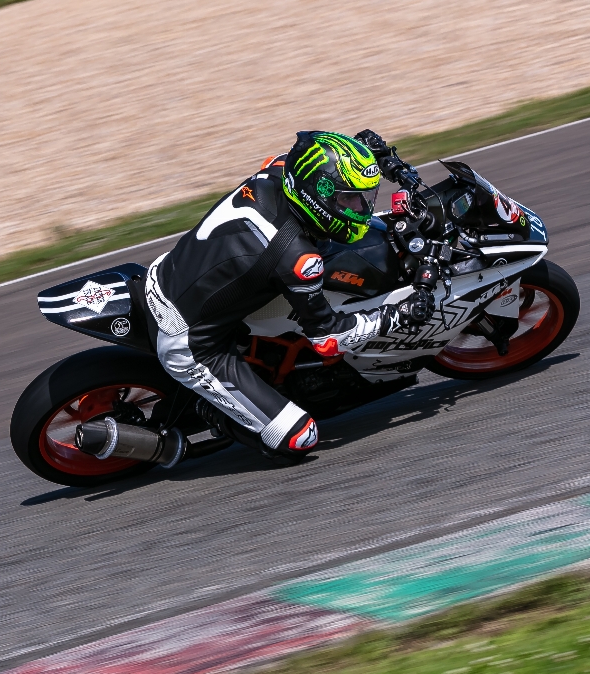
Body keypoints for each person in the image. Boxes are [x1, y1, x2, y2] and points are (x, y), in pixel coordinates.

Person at [144, 130, 433, 461]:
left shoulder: (281, 169)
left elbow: (319, 161)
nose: (361, 208)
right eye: (349, 200)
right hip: (191, 343)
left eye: (364, 198)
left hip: (169, 273)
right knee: (300, 438)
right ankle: (212, 410)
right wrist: (398, 314)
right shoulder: (297, 259)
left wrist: (377, 158)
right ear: (319, 196)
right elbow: (330, 338)